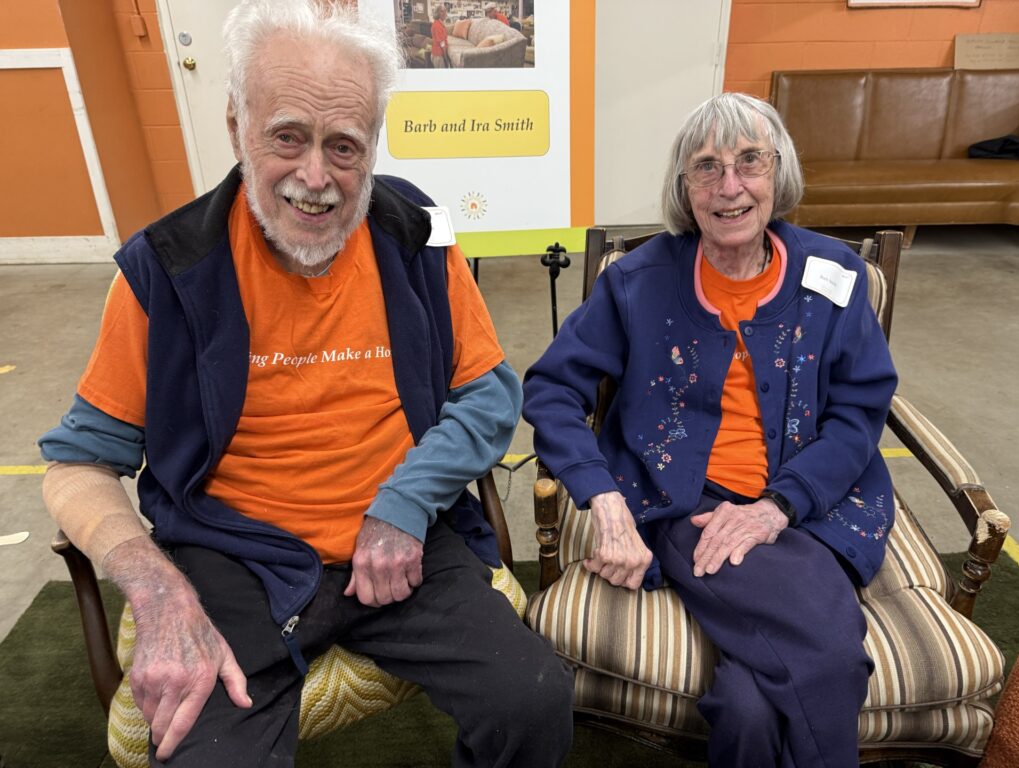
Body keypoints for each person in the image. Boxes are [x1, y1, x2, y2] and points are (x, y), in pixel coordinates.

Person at [38, 2, 573, 766]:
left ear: (372, 148)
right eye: (287, 136)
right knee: (203, 756)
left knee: (532, 700)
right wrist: (155, 588)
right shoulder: (167, 269)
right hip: (238, 558)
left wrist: (405, 503)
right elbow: (78, 465)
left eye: (344, 146)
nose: (316, 178)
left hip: (403, 543)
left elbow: (488, 393)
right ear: (236, 127)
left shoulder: (413, 232)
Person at [523, 92, 898, 767]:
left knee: (749, 711)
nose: (730, 187)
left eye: (749, 161)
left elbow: (859, 411)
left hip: (815, 508)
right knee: (833, 657)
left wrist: (776, 507)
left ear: (777, 172)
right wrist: (604, 499)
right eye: (707, 167)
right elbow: (551, 388)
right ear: (684, 189)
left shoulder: (832, 275)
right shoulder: (639, 282)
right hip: (685, 506)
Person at [430, 4, 450, 68]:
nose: (444, 13)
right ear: (437, 13)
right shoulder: (437, 25)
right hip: (438, 56)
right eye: (441, 11)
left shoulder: (440, 23)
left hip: (438, 55)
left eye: (445, 11)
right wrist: (446, 58)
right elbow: (442, 44)